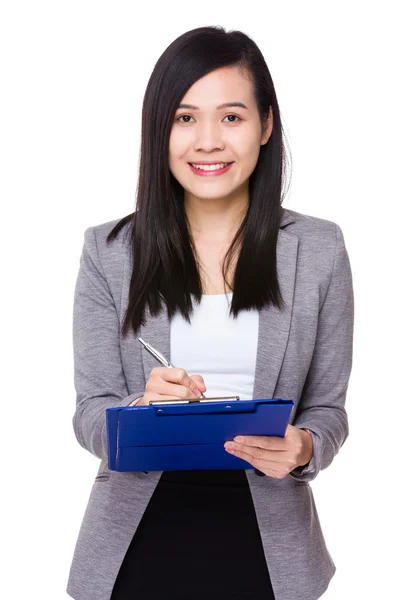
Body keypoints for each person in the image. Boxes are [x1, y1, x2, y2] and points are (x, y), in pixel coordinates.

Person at [66, 25, 354, 600]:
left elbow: (328, 409)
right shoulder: (109, 251)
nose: (207, 141)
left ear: (266, 125)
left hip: (270, 550)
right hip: (136, 546)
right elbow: (89, 416)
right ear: (159, 131)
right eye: (183, 117)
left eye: (230, 117)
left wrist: (304, 449)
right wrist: (142, 407)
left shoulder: (319, 249)